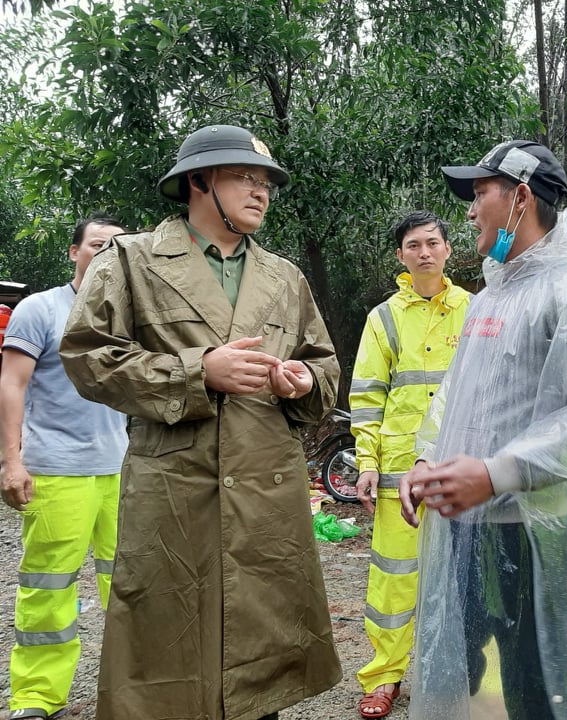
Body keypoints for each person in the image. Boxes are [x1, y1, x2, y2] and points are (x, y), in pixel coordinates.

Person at [58, 125, 343, 720]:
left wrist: (302, 383)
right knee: (170, 650)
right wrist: (196, 373)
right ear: (198, 182)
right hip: (176, 493)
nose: (260, 192)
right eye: (245, 178)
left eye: (265, 183)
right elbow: (87, 357)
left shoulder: (284, 277)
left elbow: (324, 365)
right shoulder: (132, 261)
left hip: (268, 490)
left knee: (264, 653)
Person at [397, 140, 567, 720]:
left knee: (535, 684)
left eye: (480, 193)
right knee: (460, 675)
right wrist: (425, 461)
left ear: (520, 198)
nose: (469, 211)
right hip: (465, 525)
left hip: (530, 529)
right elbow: (455, 395)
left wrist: (497, 474)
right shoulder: (494, 294)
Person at [1, 216, 128, 720]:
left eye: (118, 247)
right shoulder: (41, 309)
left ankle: (132, 691)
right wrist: (10, 460)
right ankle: (36, 698)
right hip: (56, 469)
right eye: (98, 244)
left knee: (130, 586)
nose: (107, 253)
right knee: (49, 588)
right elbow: (10, 384)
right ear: (74, 252)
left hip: (121, 471)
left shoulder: (129, 317)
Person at [349, 210, 471, 718]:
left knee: (465, 575)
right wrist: (366, 460)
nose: (424, 252)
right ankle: (384, 677)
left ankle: (466, 674)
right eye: (413, 245)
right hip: (399, 470)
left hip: (462, 465)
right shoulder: (383, 318)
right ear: (400, 256)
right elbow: (368, 394)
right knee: (394, 577)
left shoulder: (476, 308)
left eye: (432, 243)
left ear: (447, 249)